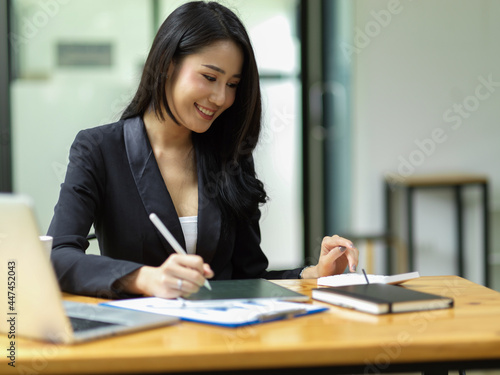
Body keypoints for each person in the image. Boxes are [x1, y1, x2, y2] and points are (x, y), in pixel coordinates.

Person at [48, 1, 358, 300]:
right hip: (143, 340)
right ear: (168, 65)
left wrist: (313, 274)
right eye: (209, 77)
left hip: (223, 339)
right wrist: (145, 278)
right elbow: (59, 257)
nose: (221, 98)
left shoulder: (230, 155)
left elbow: (248, 278)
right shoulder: (100, 150)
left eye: (233, 84)